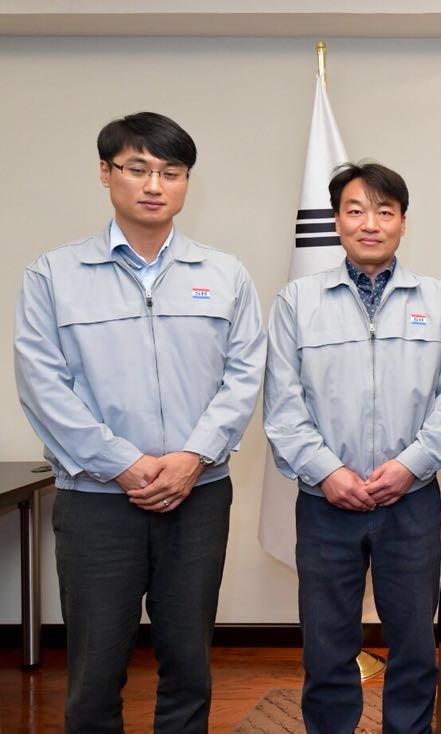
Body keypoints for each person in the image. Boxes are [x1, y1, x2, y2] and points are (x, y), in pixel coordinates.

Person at [14, 112, 266, 733]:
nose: (155, 185)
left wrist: (193, 457)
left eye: (171, 172)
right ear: (106, 173)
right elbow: (43, 387)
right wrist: (123, 465)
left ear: (186, 182)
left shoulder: (224, 274)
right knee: (95, 669)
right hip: (96, 501)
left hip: (197, 494)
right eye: (138, 169)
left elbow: (243, 376)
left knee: (189, 662)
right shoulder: (54, 274)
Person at [263, 162, 441, 733]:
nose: (370, 223)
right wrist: (328, 473)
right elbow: (282, 405)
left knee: (414, 644)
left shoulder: (438, 300)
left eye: (384, 211)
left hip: (410, 502)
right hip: (326, 503)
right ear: (336, 221)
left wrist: (410, 467)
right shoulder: (297, 301)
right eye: (355, 211)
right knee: (327, 646)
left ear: (403, 221)